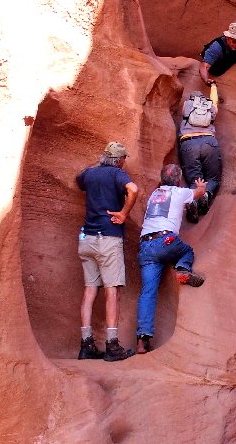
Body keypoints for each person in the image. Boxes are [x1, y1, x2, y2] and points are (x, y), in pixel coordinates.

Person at [76, 141, 139, 361]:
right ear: (119, 160)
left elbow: (79, 180)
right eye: (124, 159)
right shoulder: (116, 173)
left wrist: (98, 165)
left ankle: (86, 344)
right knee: (113, 291)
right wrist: (123, 213)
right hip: (108, 238)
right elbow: (133, 189)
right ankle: (112, 346)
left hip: (87, 239)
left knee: (90, 290)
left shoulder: (90, 173)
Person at [136, 165, 207, 354]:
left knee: (148, 292)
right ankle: (182, 269)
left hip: (145, 245)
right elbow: (199, 193)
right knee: (187, 251)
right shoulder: (180, 192)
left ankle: (142, 340)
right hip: (165, 240)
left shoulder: (154, 195)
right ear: (178, 179)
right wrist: (201, 186)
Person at [178, 90, 221, 223]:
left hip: (189, 142)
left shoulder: (187, 105)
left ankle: (193, 200)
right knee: (213, 178)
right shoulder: (210, 106)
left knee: (194, 181)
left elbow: (183, 114)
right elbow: (215, 101)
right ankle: (206, 194)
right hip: (209, 142)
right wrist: (213, 86)